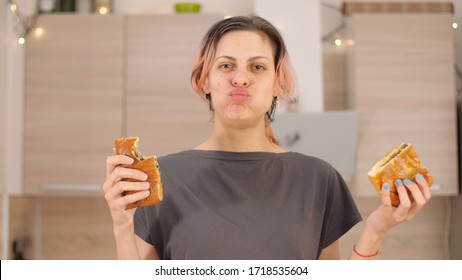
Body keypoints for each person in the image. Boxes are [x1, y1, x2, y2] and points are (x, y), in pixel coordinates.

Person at [103, 15, 431, 260]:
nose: (241, 79)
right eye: (226, 66)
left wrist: (376, 230)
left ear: (277, 82)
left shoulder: (319, 179)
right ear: (204, 80)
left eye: (257, 67)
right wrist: (121, 225)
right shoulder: (159, 180)